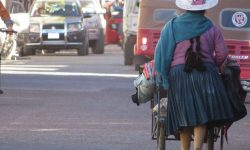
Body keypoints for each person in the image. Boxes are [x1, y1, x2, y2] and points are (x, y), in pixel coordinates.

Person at [154, 0, 235, 149]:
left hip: (179, 75)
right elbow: (222, 53)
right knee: (201, 114)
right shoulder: (212, 27)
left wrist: (164, 78)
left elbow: (163, 56)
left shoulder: (171, 27)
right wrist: (213, 66)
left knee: (184, 113)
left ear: (186, 8)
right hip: (207, 74)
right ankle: (198, 147)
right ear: (204, 10)